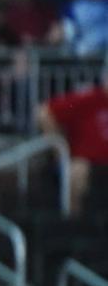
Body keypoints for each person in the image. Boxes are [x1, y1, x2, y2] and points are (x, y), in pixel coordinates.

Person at [37, 77, 108, 216]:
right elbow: (44, 113)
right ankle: (74, 223)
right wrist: (59, 152)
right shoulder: (90, 98)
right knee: (76, 171)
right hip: (87, 162)